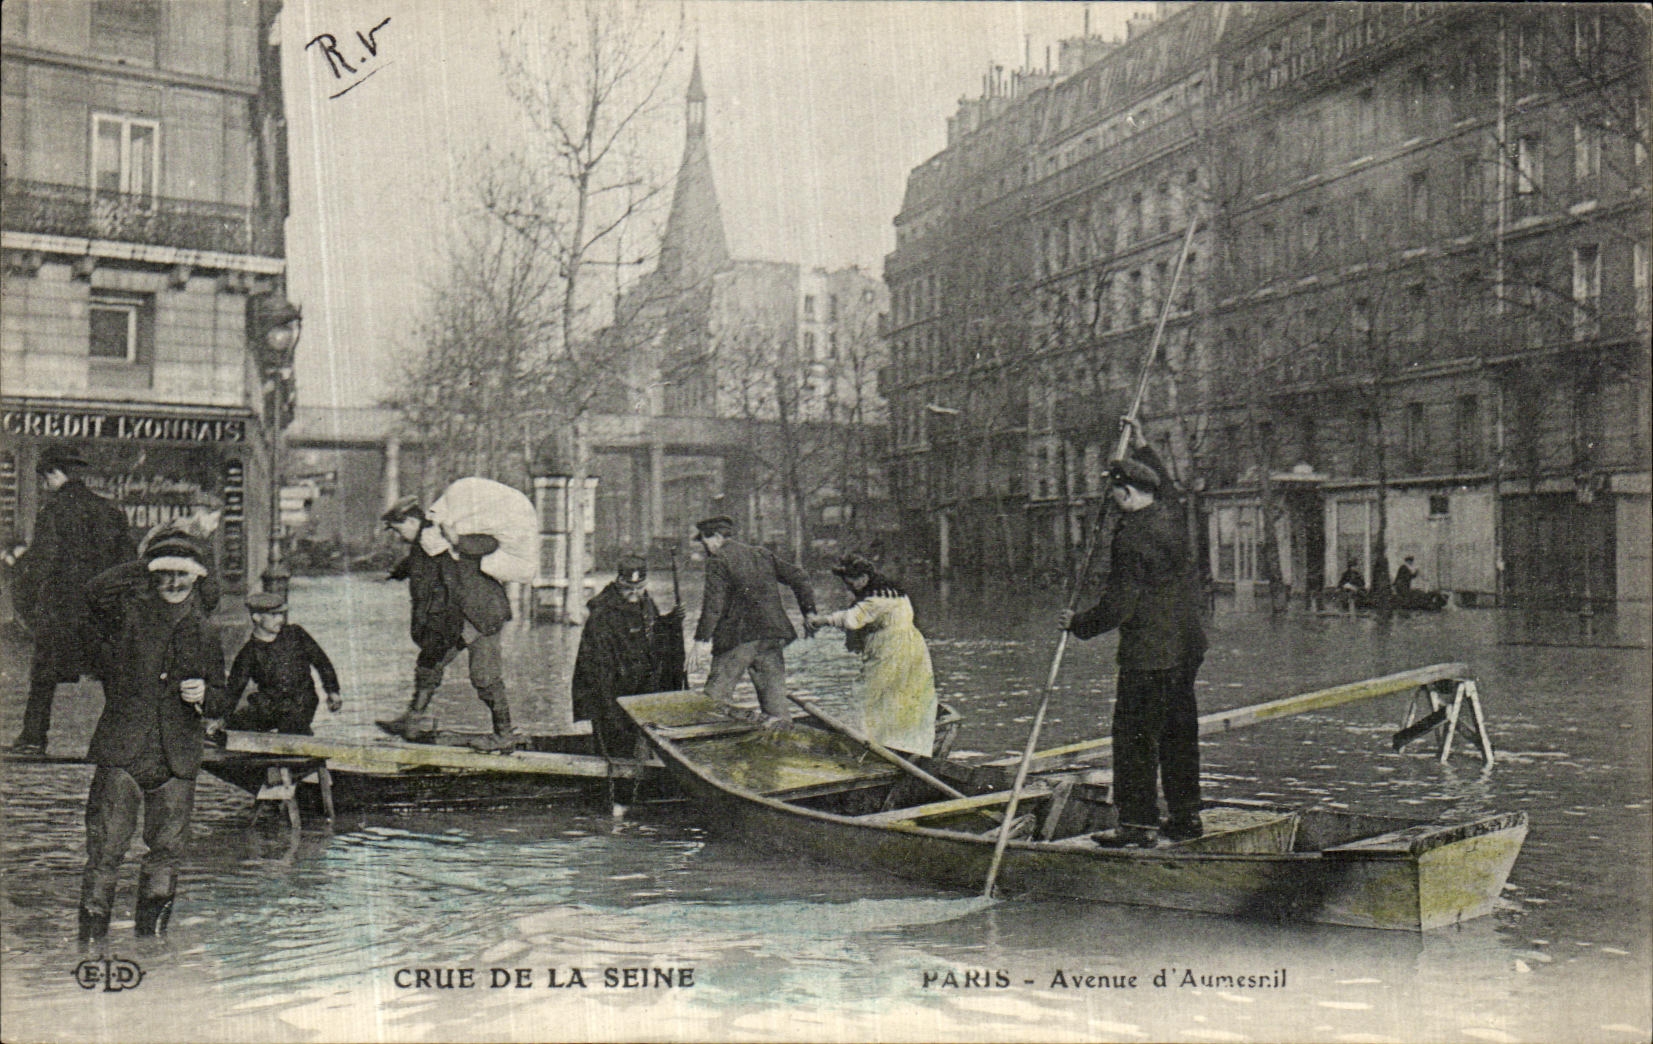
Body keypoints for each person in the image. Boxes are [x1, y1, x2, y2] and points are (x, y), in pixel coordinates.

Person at [1059, 423, 1208, 848]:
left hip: (1149, 655)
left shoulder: (1132, 540)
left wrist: (1077, 624)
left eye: (1113, 493)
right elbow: (1170, 487)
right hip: (1186, 648)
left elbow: (1118, 608)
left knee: (1135, 739)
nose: (1111, 501)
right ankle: (1185, 818)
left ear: (1124, 494)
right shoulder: (1172, 516)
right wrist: (1142, 445)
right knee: (1180, 735)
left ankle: (1137, 825)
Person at [77, 534, 228, 944]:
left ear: (197, 579)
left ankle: (153, 949)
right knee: (105, 851)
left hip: (175, 758)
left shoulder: (207, 630)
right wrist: (148, 561)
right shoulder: (128, 615)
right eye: (166, 574)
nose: (174, 582)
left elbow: (222, 697)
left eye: (183, 574)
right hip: (123, 751)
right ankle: (89, 948)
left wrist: (206, 697)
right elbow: (93, 593)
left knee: (166, 856)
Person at [6, 448, 137, 756]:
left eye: (45, 478)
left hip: (62, 611)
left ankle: (34, 738)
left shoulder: (53, 512)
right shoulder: (111, 511)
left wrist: (18, 569)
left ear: (55, 474)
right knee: (112, 676)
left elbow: (42, 564)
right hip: (103, 611)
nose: (44, 485)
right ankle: (123, 740)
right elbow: (129, 564)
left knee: (44, 676)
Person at [688, 515, 817, 726]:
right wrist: (809, 612)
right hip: (772, 637)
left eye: (704, 541)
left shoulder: (718, 560)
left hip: (738, 639)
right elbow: (799, 576)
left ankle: (713, 752)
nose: (704, 547)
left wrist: (700, 640)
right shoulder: (761, 553)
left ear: (717, 536)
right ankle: (783, 748)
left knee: (713, 700)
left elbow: (714, 604)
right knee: (776, 706)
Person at [807, 554, 937, 756]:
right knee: (900, 694)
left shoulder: (879, 598)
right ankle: (897, 743)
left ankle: (879, 744)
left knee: (872, 694)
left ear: (865, 578)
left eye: (852, 582)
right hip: (906, 647)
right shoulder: (891, 592)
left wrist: (822, 620)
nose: (850, 587)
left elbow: (852, 619)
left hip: (891, 649)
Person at [572, 555, 684, 761]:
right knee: (615, 735)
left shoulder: (646, 603)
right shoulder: (603, 612)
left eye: (638, 589)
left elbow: (653, 633)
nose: (633, 595)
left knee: (639, 735)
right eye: (628, 590)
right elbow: (597, 664)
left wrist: (671, 622)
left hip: (637, 685)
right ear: (618, 583)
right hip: (613, 687)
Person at [378, 497, 463, 742]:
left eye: (398, 529)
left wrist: (435, 623)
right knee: (429, 666)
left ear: (413, 521)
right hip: (441, 617)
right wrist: (398, 573)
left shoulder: (432, 542)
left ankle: (412, 722)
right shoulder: (424, 542)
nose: (398, 536)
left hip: (448, 617)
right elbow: (416, 562)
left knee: (432, 665)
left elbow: (445, 584)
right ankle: (411, 721)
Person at [215, 591, 343, 737]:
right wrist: (221, 718)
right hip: (270, 706)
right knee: (236, 725)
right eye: (274, 615)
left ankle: (300, 740)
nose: (280, 619)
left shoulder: (296, 634)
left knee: (293, 730)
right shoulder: (249, 653)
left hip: (301, 703)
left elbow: (322, 662)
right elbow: (234, 689)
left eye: (281, 614)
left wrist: (333, 692)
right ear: (257, 617)